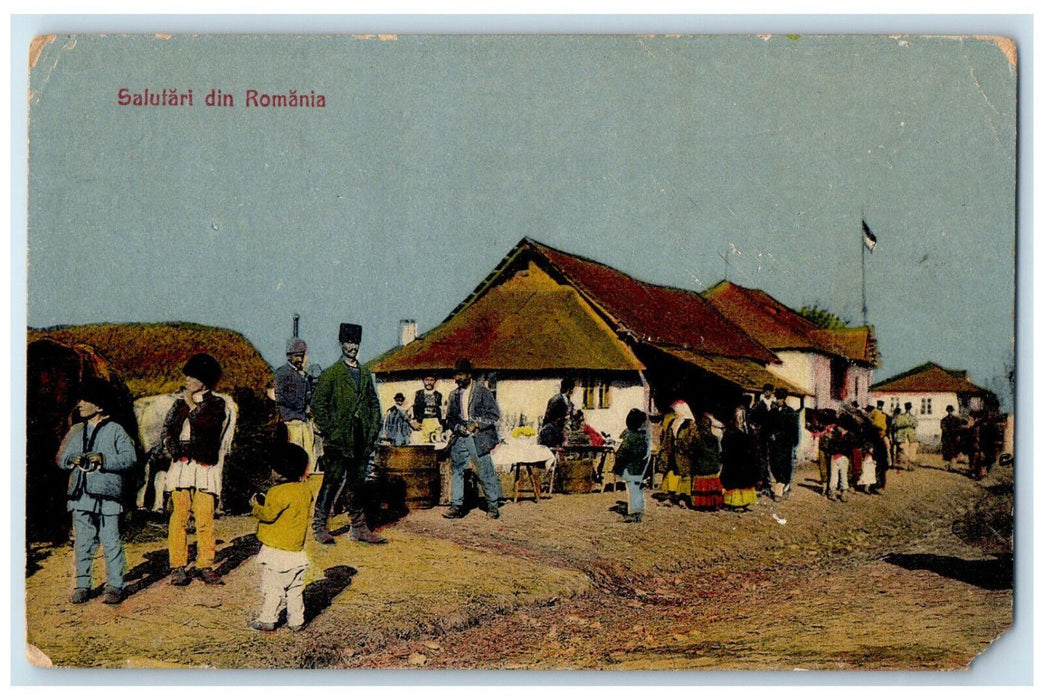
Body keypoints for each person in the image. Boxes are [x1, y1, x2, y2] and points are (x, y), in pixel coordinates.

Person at [56, 378, 138, 604]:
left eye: (85, 400)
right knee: (82, 541)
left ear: (100, 406)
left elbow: (130, 458)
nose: (80, 404)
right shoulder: (75, 430)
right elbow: (60, 458)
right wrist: (72, 459)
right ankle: (83, 584)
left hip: (108, 496)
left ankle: (115, 585)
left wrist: (103, 459)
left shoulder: (116, 431)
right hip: (80, 496)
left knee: (111, 540)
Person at [310, 322, 386, 545]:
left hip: (361, 441)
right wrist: (331, 431)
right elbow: (318, 405)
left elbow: (374, 406)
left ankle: (359, 528)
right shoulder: (331, 374)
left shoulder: (364, 374)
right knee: (331, 482)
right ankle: (320, 526)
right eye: (348, 342)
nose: (352, 347)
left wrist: (372, 432)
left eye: (355, 343)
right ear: (340, 344)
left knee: (357, 484)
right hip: (338, 442)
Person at [163, 353, 232, 586]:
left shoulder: (216, 404)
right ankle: (178, 565)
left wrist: (193, 404)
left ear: (204, 381)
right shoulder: (178, 404)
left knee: (204, 519)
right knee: (179, 517)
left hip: (204, 467)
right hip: (182, 466)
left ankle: (205, 564)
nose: (187, 380)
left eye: (192, 377)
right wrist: (171, 446)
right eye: (187, 376)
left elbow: (207, 426)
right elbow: (168, 430)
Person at [249, 443, 313, 633]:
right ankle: (296, 621)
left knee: (273, 589)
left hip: (276, 552)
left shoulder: (277, 492)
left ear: (280, 471)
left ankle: (268, 619)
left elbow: (269, 514)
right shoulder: (304, 491)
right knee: (295, 590)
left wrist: (255, 506)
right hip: (296, 552)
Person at [443, 358, 504, 520]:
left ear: (469, 375)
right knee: (457, 471)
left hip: (478, 438)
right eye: (456, 375)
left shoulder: (482, 392)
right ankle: (456, 506)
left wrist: (476, 423)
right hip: (460, 437)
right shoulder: (454, 395)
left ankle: (492, 505)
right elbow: (449, 419)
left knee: (485, 471)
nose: (457, 379)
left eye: (461, 375)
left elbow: (494, 415)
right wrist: (458, 428)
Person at [274, 336, 318, 474]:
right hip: (290, 422)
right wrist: (301, 406)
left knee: (310, 457)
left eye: (301, 355)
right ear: (289, 356)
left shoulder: (303, 375)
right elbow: (281, 397)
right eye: (296, 356)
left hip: (303, 421)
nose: (299, 359)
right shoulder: (282, 373)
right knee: (295, 457)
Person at [612, 408, 650, 523]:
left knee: (632, 490)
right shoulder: (644, 436)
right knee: (639, 490)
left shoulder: (629, 437)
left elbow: (623, 453)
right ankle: (640, 510)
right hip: (641, 467)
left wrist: (617, 466)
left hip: (630, 468)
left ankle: (634, 513)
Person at [657, 400, 696, 507]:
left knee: (685, 477)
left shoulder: (690, 424)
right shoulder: (673, 422)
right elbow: (667, 437)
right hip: (673, 453)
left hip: (684, 455)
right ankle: (671, 497)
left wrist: (683, 447)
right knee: (672, 475)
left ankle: (684, 499)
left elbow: (692, 439)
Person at [720, 405, 758, 511]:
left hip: (744, 459)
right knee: (734, 481)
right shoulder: (730, 430)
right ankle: (733, 503)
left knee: (744, 481)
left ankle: (743, 502)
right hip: (733, 459)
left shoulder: (748, 429)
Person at [765, 388, 799, 500]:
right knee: (773, 464)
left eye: (781, 398)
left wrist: (794, 443)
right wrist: (770, 435)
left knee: (782, 465)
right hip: (773, 443)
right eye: (777, 398)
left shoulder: (790, 412)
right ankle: (784, 484)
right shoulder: (772, 412)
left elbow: (794, 429)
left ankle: (779, 489)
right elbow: (767, 427)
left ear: (784, 399)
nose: (779, 400)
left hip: (785, 444)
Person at [688, 414, 724, 511]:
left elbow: (693, 452)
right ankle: (713, 503)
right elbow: (718, 453)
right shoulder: (715, 438)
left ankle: (702, 504)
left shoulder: (698, 440)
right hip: (713, 468)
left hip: (701, 468)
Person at [747, 383, 774, 494]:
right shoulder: (758, 405)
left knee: (771, 460)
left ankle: (769, 482)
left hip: (771, 437)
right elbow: (751, 420)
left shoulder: (774, 405)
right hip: (760, 438)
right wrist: (756, 429)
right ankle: (760, 482)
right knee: (760, 459)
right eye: (765, 391)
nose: (767, 393)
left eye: (769, 391)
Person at [538, 378, 575, 448]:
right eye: (572, 389)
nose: (573, 391)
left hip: (561, 433)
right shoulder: (555, 400)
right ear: (569, 389)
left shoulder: (569, 402)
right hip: (552, 432)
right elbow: (548, 417)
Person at [412, 376, 445, 442]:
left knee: (436, 442)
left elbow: (443, 410)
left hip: (435, 422)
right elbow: (413, 409)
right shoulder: (418, 394)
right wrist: (414, 422)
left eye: (431, 380)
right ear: (423, 381)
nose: (429, 382)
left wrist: (442, 424)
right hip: (422, 423)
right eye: (427, 380)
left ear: (435, 381)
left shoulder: (439, 395)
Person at [893, 402, 919, 470]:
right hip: (903, 436)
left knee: (912, 451)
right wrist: (907, 424)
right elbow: (897, 424)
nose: (908, 409)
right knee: (905, 451)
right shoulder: (900, 416)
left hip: (911, 436)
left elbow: (915, 424)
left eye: (909, 407)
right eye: (907, 407)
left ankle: (910, 465)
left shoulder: (913, 416)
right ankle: (907, 465)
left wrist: (908, 424)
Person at [940, 405, 964, 473]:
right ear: (947, 411)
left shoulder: (956, 419)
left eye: (950, 410)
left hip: (954, 438)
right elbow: (943, 428)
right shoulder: (944, 420)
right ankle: (949, 465)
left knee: (954, 452)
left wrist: (958, 435)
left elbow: (959, 428)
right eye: (948, 410)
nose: (949, 412)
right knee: (947, 452)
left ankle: (952, 466)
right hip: (947, 438)